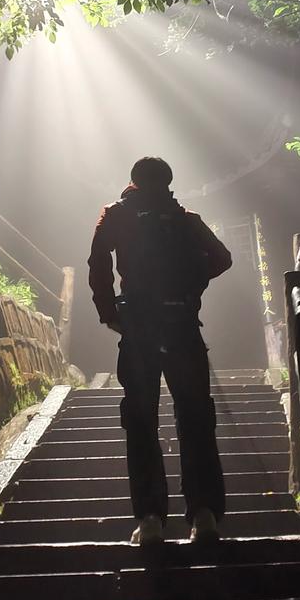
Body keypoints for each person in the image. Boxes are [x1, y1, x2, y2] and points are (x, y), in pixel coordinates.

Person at [87, 156, 232, 546]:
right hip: (182, 325)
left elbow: (97, 262)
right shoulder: (186, 218)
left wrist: (109, 312)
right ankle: (203, 516)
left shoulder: (115, 216)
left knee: (140, 420)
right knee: (196, 417)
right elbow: (222, 258)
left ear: (133, 180)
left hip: (138, 329)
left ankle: (150, 519)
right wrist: (189, 289)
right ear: (168, 182)